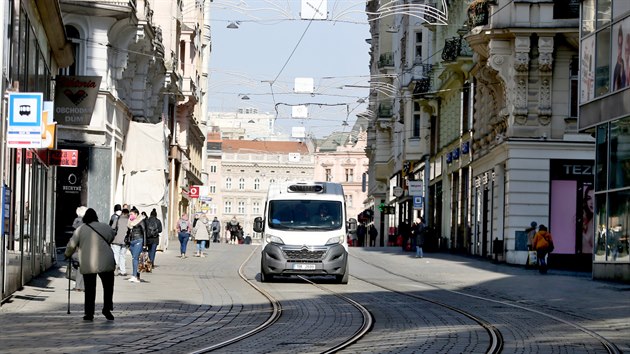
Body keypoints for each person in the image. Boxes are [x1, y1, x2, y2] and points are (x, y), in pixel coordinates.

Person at [64, 208, 116, 321]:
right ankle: (107, 309)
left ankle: (89, 313)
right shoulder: (105, 227)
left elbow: (72, 244)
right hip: (106, 260)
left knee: (90, 289)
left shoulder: (80, 229)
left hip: (88, 261)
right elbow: (111, 237)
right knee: (108, 287)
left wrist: (67, 254)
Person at [127, 207, 147, 283]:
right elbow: (128, 232)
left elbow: (144, 232)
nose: (130, 216)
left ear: (136, 214)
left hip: (138, 240)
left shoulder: (140, 221)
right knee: (135, 258)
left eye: (131, 214)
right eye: (129, 214)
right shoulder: (130, 222)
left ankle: (134, 276)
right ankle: (136, 275)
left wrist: (144, 244)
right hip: (132, 241)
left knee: (135, 258)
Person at [71, 206, 87, 292]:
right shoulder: (87, 222)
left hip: (78, 248)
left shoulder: (77, 222)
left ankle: (78, 286)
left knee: (79, 267)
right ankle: (83, 286)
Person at [111, 208, 129, 277]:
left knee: (116, 255)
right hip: (125, 241)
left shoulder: (117, 219)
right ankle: (123, 271)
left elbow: (113, 227)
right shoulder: (129, 220)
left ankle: (115, 271)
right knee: (123, 256)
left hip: (116, 240)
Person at [582, 185, 595, 254]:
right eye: (589, 198)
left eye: (595, 197)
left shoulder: (594, 220)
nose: (592, 202)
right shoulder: (588, 220)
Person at [613, 26, 626, 91]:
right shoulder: (615, 67)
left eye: (621, 45)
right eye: (619, 45)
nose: (620, 49)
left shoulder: (623, 65)